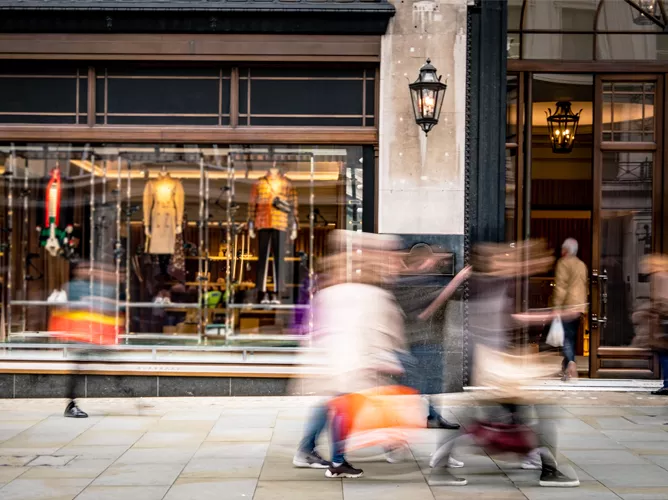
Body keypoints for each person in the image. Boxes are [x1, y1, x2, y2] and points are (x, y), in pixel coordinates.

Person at [292, 231, 405, 478]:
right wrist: (385, 357)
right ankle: (337, 461)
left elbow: (317, 328)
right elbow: (382, 330)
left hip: (334, 359)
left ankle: (309, 450)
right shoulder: (372, 294)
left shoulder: (329, 292)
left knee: (331, 405)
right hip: (352, 361)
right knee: (344, 408)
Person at [392, 247, 461, 430]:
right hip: (419, 340)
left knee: (432, 381)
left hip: (424, 339)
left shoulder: (413, 280)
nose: (435, 263)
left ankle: (433, 416)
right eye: (431, 260)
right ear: (422, 261)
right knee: (423, 383)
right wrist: (457, 281)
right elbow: (428, 309)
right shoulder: (412, 282)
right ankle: (417, 418)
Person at [552, 238, 588, 381]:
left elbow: (561, 287)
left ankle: (571, 364)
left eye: (562, 249)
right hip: (579, 307)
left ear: (566, 250)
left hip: (567, 306)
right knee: (571, 338)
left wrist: (556, 307)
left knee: (566, 338)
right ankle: (566, 368)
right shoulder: (581, 264)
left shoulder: (563, 263)